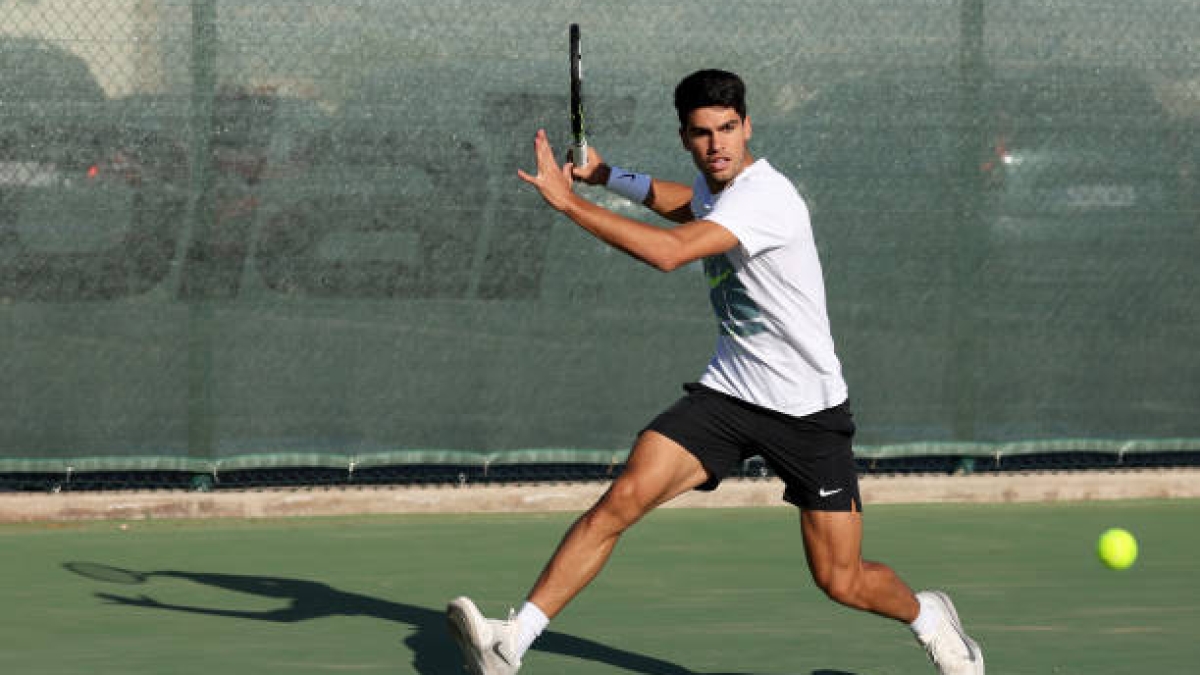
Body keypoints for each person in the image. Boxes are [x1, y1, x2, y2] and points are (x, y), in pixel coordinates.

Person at [447, 69, 984, 675]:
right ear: (685, 137)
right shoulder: (719, 189)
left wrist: (570, 202)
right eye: (702, 133)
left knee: (842, 579)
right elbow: (687, 202)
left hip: (808, 412)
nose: (716, 144)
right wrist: (606, 175)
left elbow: (670, 252)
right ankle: (510, 643)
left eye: (728, 129)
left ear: (748, 126)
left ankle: (929, 617)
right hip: (728, 395)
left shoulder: (765, 196)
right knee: (622, 499)